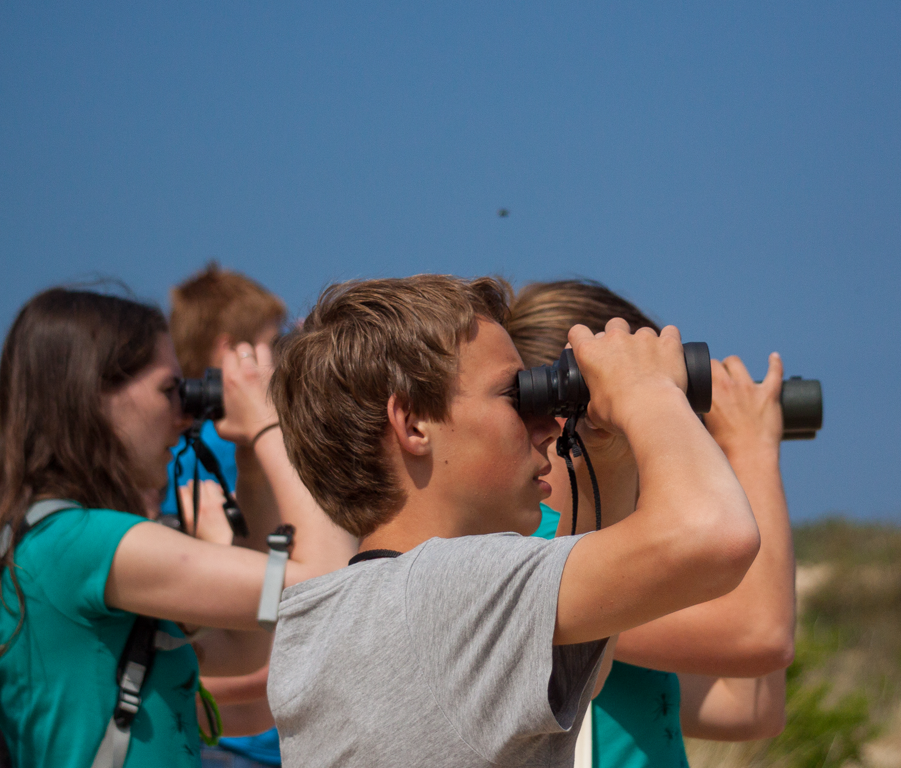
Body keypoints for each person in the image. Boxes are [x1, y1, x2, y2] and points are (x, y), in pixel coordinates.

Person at [265, 275, 761, 767]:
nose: (546, 425)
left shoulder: (318, 617)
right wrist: (648, 392)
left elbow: (597, 663)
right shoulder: (449, 589)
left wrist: (606, 455)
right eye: (513, 395)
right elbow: (717, 535)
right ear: (413, 423)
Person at [0, 287, 355, 767]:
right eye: (170, 390)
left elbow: (244, 644)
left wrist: (250, 461)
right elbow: (327, 587)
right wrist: (270, 424)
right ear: (95, 395)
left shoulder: (37, 542)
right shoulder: (82, 542)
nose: (185, 415)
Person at [507, 280, 793, 767]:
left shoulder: (611, 545)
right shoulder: (540, 549)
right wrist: (748, 448)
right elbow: (761, 634)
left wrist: (733, 461)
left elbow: (751, 707)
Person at [165, 263, 289, 768]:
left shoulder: (173, 450)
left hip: (209, 727)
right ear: (229, 353)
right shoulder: (248, 443)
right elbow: (281, 578)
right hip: (256, 733)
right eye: (271, 342)